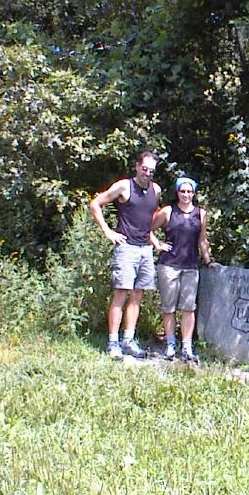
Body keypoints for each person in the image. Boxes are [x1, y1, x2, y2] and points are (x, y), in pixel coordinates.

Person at [89, 151, 167, 360]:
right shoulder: (124, 186)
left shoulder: (156, 190)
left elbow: (149, 219)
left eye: (151, 171)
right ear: (137, 167)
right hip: (126, 248)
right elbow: (95, 204)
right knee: (121, 294)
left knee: (137, 296)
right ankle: (113, 343)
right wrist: (107, 231)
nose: (147, 173)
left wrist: (155, 242)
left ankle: (128, 340)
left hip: (145, 250)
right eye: (144, 169)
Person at [151, 176, 218, 362]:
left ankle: (187, 346)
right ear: (177, 192)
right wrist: (158, 244)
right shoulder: (168, 211)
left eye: (189, 191)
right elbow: (148, 229)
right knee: (169, 307)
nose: (186, 195)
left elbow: (202, 240)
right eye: (182, 191)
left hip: (191, 266)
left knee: (188, 308)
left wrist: (208, 260)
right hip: (169, 265)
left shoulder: (201, 214)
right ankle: (171, 344)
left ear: (194, 193)